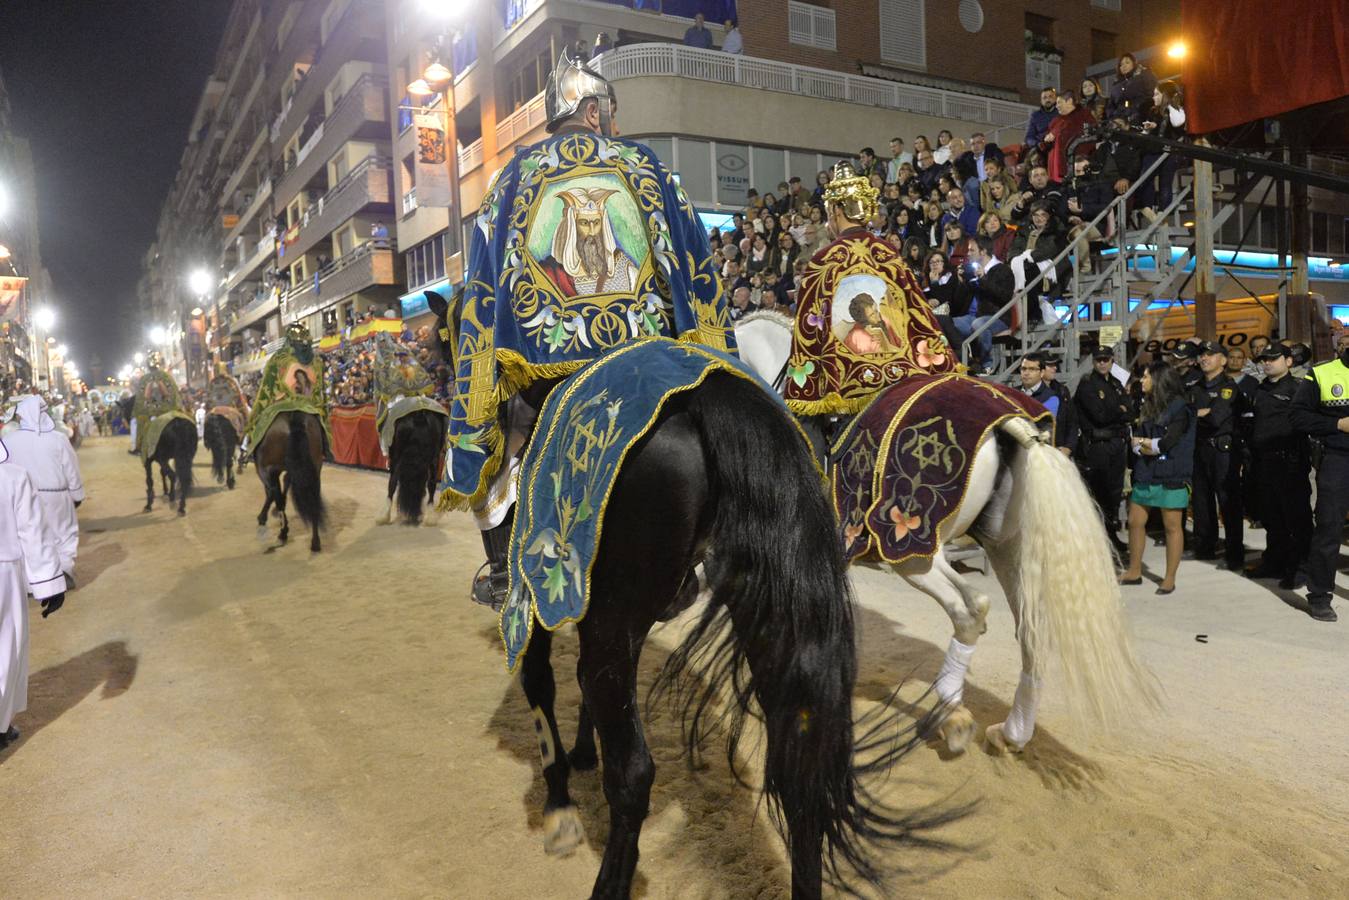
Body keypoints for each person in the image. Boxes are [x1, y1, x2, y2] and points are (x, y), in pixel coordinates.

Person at [446, 50, 731, 608]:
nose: (615, 125)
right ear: (594, 112)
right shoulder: (645, 165)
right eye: (612, 113)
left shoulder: (513, 178)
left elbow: (482, 290)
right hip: (650, 360)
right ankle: (717, 532)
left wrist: (489, 369)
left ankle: (504, 565)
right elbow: (696, 266)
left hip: (550, 370)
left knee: (503, 430)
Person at [783, 161, 956, 458]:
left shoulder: (824, 260)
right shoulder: (889, 254)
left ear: (836, 211)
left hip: (852, 389)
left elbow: (809, 331)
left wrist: (805, 386)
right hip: (903, 378)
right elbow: (917, 314)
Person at [0, 432, 67, 752]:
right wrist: (50, 583)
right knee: (4, 654)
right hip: (3, 576)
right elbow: (33, 535)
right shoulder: (13, 477)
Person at [1120, 361, 1196, 594]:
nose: (1141, 381)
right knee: (1135, 521)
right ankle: (1134, 571)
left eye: (1145, 377)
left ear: (1159, 380)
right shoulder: (1146, 406)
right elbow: (1135, 440)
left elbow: (1165, 443)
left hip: (1172, 473)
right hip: (1146, 472)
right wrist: (1143, 445)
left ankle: (1169, 577)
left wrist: (1142, 444)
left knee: (1171, 526)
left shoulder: (1180, 408)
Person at [1289, 330, 1349, 622]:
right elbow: (1297, 417)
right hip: (1338, 459)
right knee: (1329, 527)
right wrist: (1338, 423)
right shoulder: (1322, 374)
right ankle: (1320, 595)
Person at [1244, 343, 1311, 588]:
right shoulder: (1260, 389)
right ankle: (1275, 561)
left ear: (1289, 361)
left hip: (1290, 461)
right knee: (1272, 517)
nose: (1267, 363)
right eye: (1264, 359)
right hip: (1264, 461)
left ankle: (1300, 568)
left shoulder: (1298, 389)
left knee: (1296, 518)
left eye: (1273, 358)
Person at [0, 396, 83, 577]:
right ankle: (65, 570)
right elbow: (71, 468)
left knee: (32, 537)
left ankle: (35, 580)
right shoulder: (58, 438)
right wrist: (77, 494)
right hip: (56, 496)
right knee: (64, 536)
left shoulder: (9, 440)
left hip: (24, 498)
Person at [1190, 340, 1244, 570]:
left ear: (1222, 360)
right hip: (1199, 448)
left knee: (1227, 501)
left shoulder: (1228, 387)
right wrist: (1198, 413)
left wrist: (1196, 414)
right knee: (1201, 500)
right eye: (1202, 355)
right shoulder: (1195, 387)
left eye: (1210, 355)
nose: (1204, 358)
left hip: (1223, 450)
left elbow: (1216, 418)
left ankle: (1234, 552)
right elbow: (1183, 415)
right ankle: (1205, 545)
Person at [1074, 345, 1133, 550]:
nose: (1102, 363)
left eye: (1106, 359)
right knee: (1100, 493)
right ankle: (1098, 540)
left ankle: (1111, 536)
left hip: (1117, 443)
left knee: (1115, 494)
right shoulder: (1088, 385)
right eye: (1099, 359)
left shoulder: (1116, 383)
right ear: (1093, 361)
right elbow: (1100, 416)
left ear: (1111, 360)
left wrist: (1117, 410)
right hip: (1098, 445)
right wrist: (1119, 409)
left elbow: (1130, 411)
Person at [952, 235, 1014, 373]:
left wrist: (984, 279)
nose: (968, 254)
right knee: (948, 323)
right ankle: (965, 362)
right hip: (975, 317)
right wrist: (962, 282)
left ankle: (987, 364)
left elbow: (1004, 296)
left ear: (983, 251)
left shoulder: (1003, 270)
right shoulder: (972, 271)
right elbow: (959, 302)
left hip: (998, 317)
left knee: (979, 325)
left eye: (971, 250)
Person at [131, 352, 184, 456]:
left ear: (147, 365)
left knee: (137, 420)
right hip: (167, 408)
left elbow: (142, 399)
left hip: (150, 410)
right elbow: (174, 395)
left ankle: (139, 447)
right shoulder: (167, 377)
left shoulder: (145, 379)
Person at [1040, 89, 1095, 183]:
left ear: (1069, 101)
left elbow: (1090, 138)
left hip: (1076, 164)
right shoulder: (1055, 121)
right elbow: (1044, 144)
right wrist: (1046, 140)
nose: (1057, 106)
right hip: (1055, 168)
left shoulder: (1084, 116)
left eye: (1059, 103)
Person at [1040, 354, 1078, 455]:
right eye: (1050, 365)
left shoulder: (1062, 391)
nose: (1055, 368)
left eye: (1055, 365)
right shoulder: (1026, 392)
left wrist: (1069, 447)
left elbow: (1072, 421)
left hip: (1060, 449)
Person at [1105, 52, 1158, 126]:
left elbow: (1152, 94)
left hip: (1140, 119)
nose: (1124, 66)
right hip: (1119, 123)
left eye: (1127, 62)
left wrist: (1139, 111)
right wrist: (1114, 118)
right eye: (1121, 64)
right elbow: (1111, 106)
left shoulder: (1144, 75)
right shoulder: (1116, 85)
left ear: (1134, 63)